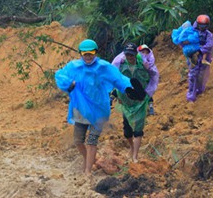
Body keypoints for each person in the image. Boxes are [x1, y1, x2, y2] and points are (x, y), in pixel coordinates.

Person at [54, 39, 145, 175]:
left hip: (99, 111)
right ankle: (87, 159)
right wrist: (68, 84)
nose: (88, 57)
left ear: (95, 53)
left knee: (92, 141)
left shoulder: (103, 67)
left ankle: (88, 171)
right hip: (81, 110)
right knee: (78, 141)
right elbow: (59, 75)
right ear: (81, 54)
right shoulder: (74, 67)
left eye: (91, 54)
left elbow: (117, 78)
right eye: (85, 54)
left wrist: (129, 87)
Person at [111, 43, 158, 162]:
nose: (129, 57)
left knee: (138, 129)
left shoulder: (144, 66)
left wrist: (148, 93)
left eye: (131, 55)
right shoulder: (121, 66)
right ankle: (131, 147)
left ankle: (135, 156)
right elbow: (116, 80)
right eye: (127, 54)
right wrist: (117, 95)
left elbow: (153, 77)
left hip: (140, 100)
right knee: (127, 130)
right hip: (126, 100)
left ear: (136, 54)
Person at [111, 44, 159, 115]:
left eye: (146, 52)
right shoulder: (123, 61)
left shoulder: (148, 61)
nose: (144, 54)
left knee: (146, 92)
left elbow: (151, 73)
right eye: (142, 52)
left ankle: (149, 108)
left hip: (141, 79)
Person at [180, 15, 213, 103]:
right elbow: (183, 41)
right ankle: (191, 94)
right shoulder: (191, 31)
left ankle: (199, 89)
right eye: (201, 25)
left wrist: (201, 49)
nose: (202, 27)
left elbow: (210, 44)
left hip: (204, 55)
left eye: (204, 26)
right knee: (193, 74)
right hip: (193, 55)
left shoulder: (208, 34)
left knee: (202, 74)